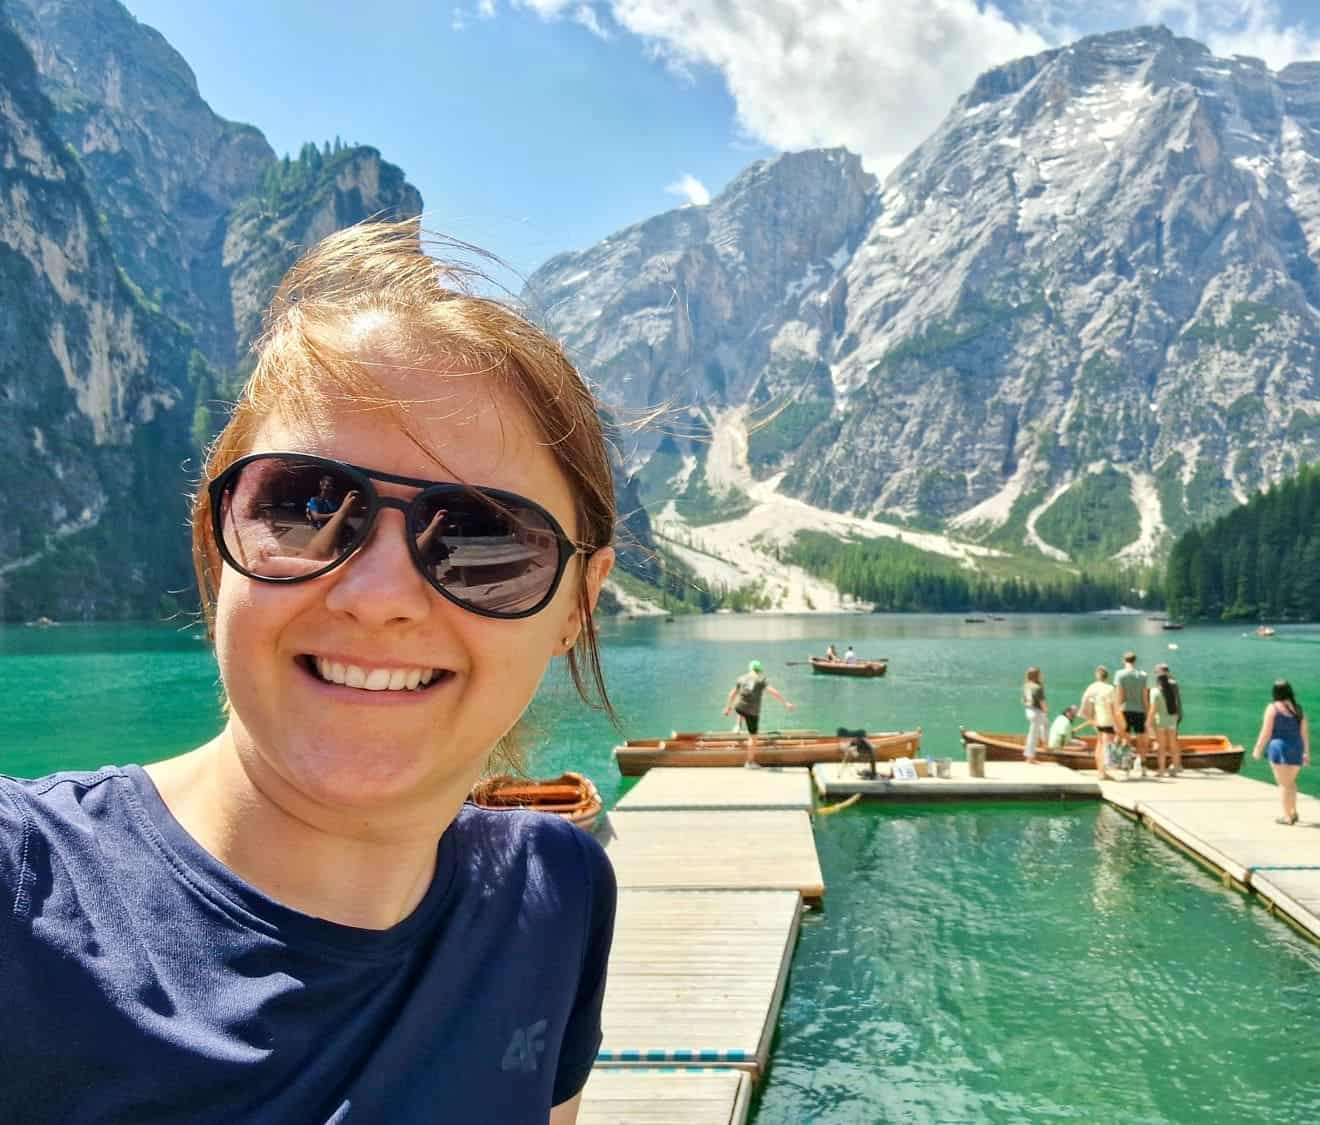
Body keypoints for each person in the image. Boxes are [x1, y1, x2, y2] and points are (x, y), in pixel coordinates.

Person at [0, 221, 621, 1123]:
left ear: (578, 604)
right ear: (221, 542)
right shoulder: (22, 895)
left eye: (485, 536)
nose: (377, 594)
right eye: (303, 506)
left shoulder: (559, 894)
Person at [1251, 679, 1310, 825]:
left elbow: (1266, 732)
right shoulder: (1299, 709)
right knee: (1290, 782)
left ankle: (1287, 816)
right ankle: (1293, 811)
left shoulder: (1273, 708)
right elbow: (1304, 733)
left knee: (1284, 784)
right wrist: (1306, 753)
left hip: (1280, 749)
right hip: (1297, 748)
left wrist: (1258, 749)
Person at [722, 659, 793, 766]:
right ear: (759, 670)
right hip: (752, 712)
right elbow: (773, 692)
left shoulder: (741, 678)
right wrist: (785, 702)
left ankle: (738, 725)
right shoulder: (761, 680)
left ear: (750, 669)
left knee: (741, 703)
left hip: (739, 707)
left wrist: (728, 708)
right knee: (753, 737)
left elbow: (731, 694)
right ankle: (750, 762)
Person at [1079, 665, 1121, 780]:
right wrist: (1117, 724)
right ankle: (1103, 773)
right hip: (1107, 720)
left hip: (1097, 720)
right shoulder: (1110, 689)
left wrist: (1090, 718)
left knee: (1100, 744)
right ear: (1107, 676)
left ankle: (1100, 771)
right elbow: (1114, 708)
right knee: (1105, 746)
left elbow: (1085, 702)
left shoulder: (1092, 687)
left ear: (1097, 676)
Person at [1115, 651, 1150, 775]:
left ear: (1124, 660)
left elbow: (1119, 695)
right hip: (1140, 711)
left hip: (1125, 710)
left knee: (1126, 739)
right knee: (1141, 740)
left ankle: (1126, 768)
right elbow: (1145, 697)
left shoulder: (1120, 674)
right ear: (1135, 661)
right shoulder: (1143, 675)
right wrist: (1147, 714)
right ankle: (1144, 768)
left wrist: (1116, 711)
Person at [1146, 663, 1183, 777]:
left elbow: (1152, 710)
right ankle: (1176, 768)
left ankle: (1162, 770)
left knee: (1161, 747)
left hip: (1161, 721)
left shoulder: (1154, 692)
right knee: (1173, 745)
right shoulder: (1173, 687)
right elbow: (1177, 704)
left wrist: (1148, 722)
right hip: (1172, 719)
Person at [1021, 666, 1048, 764]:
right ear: (1037, 675)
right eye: (1040, 674)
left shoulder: (1026, 686)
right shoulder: (1038, 687)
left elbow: (1023, 701)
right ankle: (1030, 758)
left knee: (1045, 724)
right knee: (1033, 735)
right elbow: (1042, 702)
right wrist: (1045, 710)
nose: (1042, 676)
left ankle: (1045, 743)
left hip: (1029, 710)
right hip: (1037, 712)